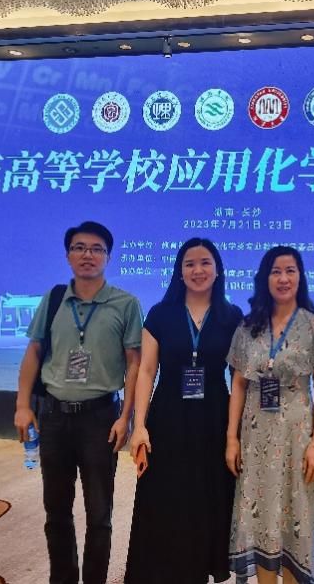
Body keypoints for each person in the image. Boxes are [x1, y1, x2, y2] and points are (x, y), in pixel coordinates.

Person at [13, 220, 142, 584]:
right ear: (68, 255)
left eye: (97, 249)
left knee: (99, 514)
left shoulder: (126, 304)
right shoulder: (54, 299)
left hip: (100, 418)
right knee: (56, 511)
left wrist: (126, 417)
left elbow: (135, 364)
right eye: (80, 248)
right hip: (54, 417)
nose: (88, 255)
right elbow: (34, 351)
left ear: (108, 257)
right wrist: (23, 405)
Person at [125, 238, 243, 583]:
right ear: (179, 271)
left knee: (208, 498)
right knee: (167, 497)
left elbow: (239, 379)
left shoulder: (232, 316)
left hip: (214, 419)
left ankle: (200, 569)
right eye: (190, 263)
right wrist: (139, 426)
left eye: (205, 263)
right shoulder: (160, 314)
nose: (198, 270)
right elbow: (147, 371)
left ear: (218, 270)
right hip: (168, 418)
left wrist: (235, 435)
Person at [226, 245, 314, 584]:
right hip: (255, 436)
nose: (283, 278)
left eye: (290, 271)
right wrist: (231, 439)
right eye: (276, 271)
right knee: (260, 519)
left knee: (294, 517)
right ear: (265, 278)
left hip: (297, 438)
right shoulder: (248, 327)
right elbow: (238, 384)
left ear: (300, 277)